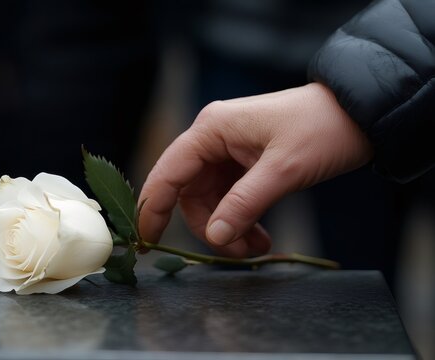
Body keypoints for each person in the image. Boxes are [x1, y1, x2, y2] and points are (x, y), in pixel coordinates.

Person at [138, 0, 435, 257]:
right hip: (226, 38)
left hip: (366, 36)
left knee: (361, 255)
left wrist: (360, 101)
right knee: (224, 252)